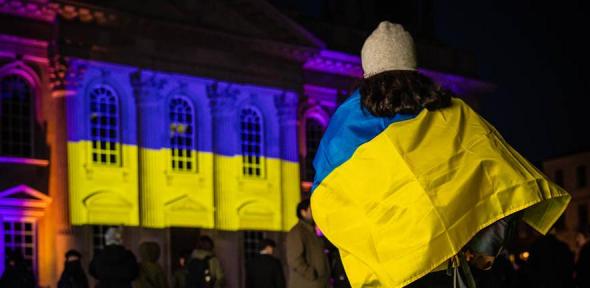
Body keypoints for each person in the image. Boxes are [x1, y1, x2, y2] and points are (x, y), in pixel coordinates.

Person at [309, 21, 571, 287]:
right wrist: (484, 249)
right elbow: (504, 180)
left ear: (367, 69)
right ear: (413, 64)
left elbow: (326, 203)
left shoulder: (343, 128)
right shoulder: (452, 113)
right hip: (448, 269)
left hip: (391, 275)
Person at [286, 199, 330, 288]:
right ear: (303, 212)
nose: (315, 213)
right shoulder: (297, 232)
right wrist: (311, 274)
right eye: (312, 210)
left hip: (317, 283)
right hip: (307, 284)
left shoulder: (311, 232)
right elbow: (294, 260)